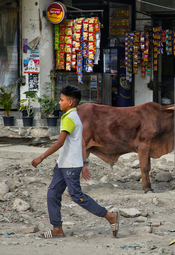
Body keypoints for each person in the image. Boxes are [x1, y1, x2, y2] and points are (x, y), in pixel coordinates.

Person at [31, 85, 119, 238]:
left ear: (70, 103)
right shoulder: (73, 117)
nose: (59, 102)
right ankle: (57, 229)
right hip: (63, 164)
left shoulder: (70, 118)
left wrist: (41, 157)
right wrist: (84, 164)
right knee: (52, 194)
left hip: (70, 165)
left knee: (77, 196)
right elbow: (82, 143)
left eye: (62, 100)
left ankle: (109, 216)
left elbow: (60, 143)